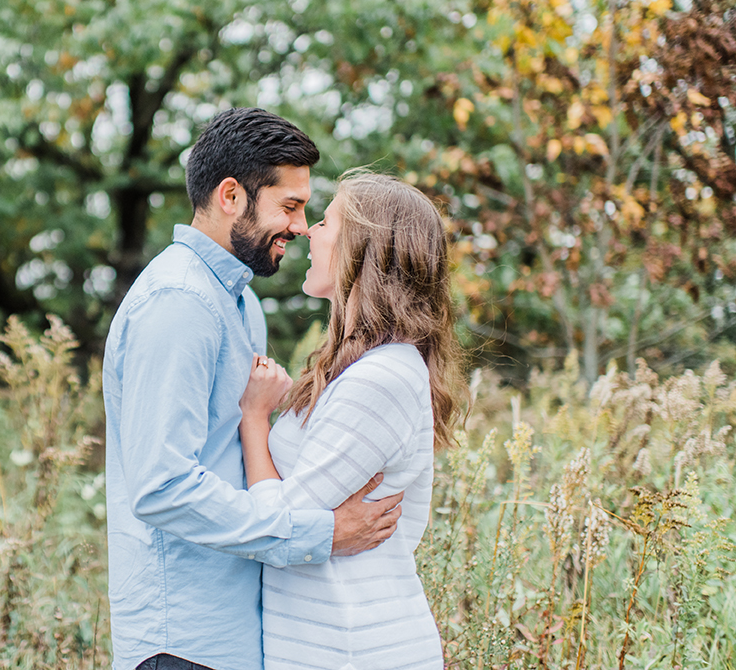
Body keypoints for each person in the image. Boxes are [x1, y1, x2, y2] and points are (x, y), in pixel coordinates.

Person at [103, 109, 405, 670]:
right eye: (289, 206)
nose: (299, 225)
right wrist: (318, 532)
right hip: (184, 641)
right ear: (231, 196)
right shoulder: (179, 303)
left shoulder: (240, 302)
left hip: (239, 634)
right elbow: (161, 486)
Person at [237, 170, 466, 670]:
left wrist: (255, 420)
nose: (307, 231)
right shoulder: (361, 369)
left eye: (324, 221)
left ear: (365, 248)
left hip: (357, 648)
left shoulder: (380, 379)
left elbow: (279, 531)